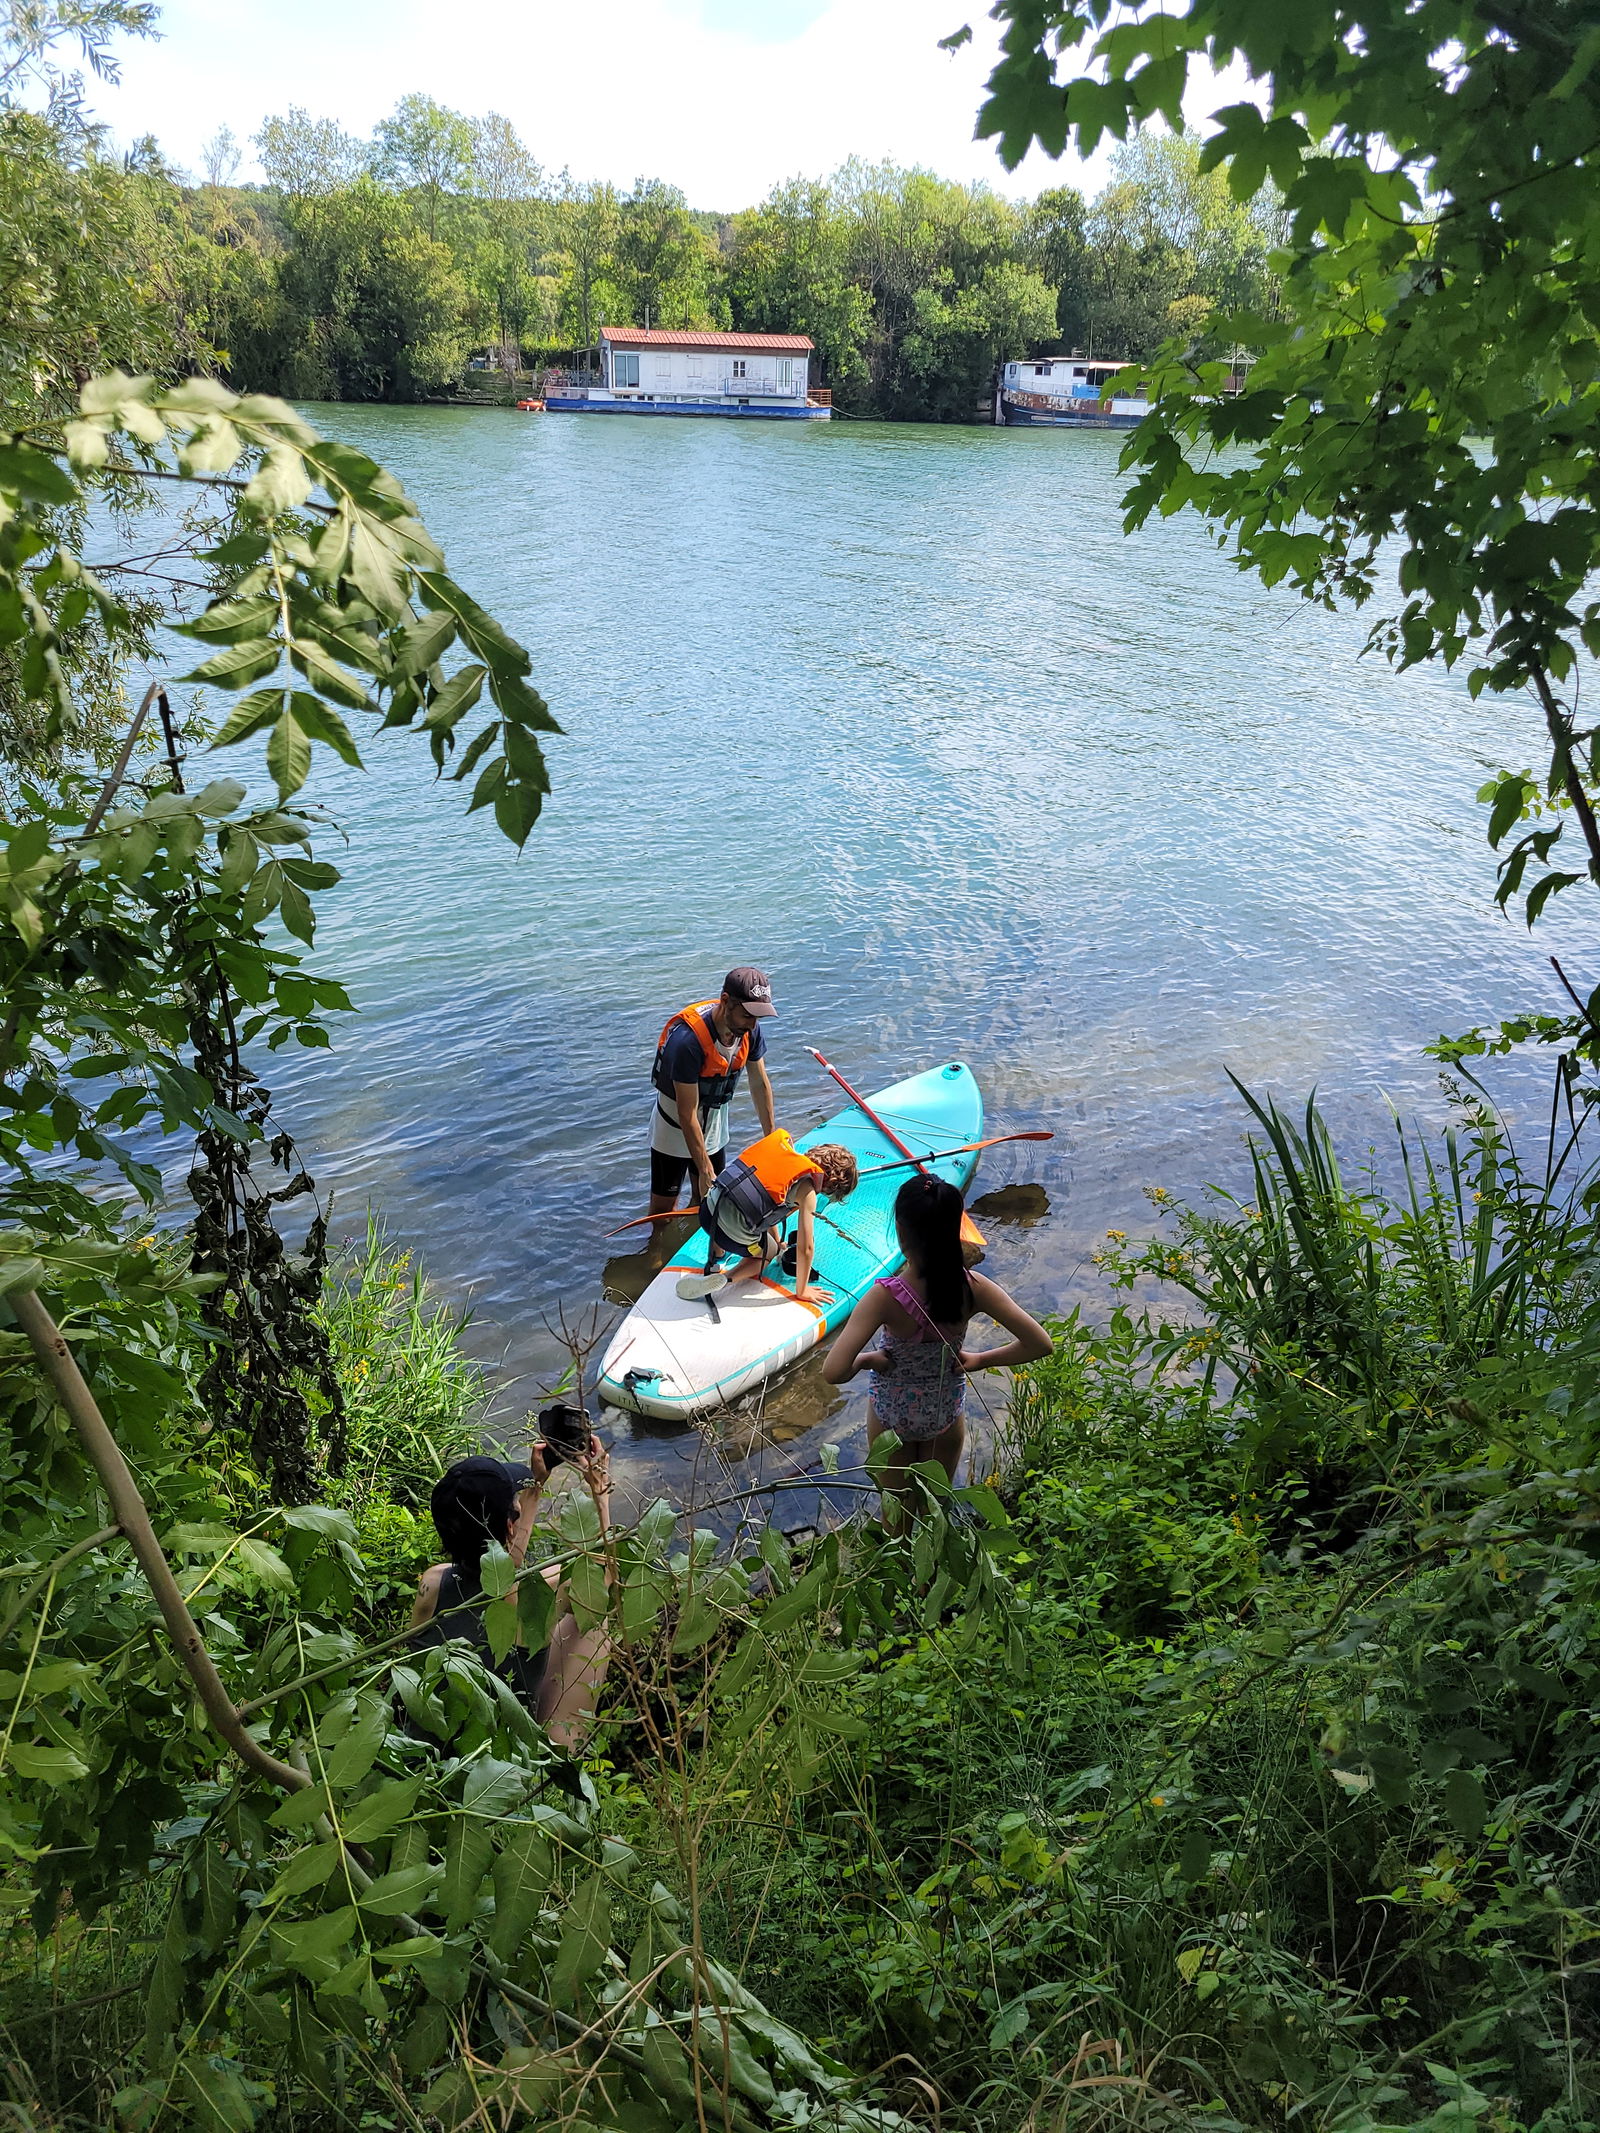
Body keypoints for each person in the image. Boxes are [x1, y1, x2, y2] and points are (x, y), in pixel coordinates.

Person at [823, 1173, 1053, 1524]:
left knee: (895, 1518)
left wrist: (871, 1360)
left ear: (900, 1229)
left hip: (893, 1420)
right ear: (956, 1228)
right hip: (944, 1416)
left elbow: (833, 1371)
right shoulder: (975, 1287)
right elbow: (1039, 1343)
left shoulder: (884, 1297)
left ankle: (896, 1574)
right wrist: (979, 1360)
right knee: (933, 1516)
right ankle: (926, 1580)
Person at [410, 1441, 611, 1750]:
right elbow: (604, 1581)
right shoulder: (540, 1593)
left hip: (434, 1749)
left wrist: (534, 1489)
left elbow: (502, 1566)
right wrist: (600, 1492)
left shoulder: (432, 1583)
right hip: (502, 1754)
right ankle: (563, 1746)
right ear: (509, 1525)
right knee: (593, 1625)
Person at [647, 968, 778, 1222]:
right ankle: (656, 1254)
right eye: (747, 1015)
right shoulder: (687, 1043)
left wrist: (771, 1139)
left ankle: (696, 1245)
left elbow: (760, 1084)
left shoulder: (750, 1030)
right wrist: (704, 1168)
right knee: (662, 1211)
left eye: (758, 1017)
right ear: (726, 1001)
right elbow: (686, 1113)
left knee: (707, 1201)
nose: (752, 1024)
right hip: (673, 1128)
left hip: (714, 1127)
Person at [676, 1132, 859, 1304]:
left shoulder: (783, 1152)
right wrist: (802, 1290)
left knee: (753, 1224)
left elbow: (767, 1204)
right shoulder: (807, 1191)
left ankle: (718, 1253)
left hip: (707, 1213)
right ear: (832, 1185)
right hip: (729, 1234)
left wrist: (778, 1241)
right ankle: (725, 1279)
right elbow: (806, 1247)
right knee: (767, 1254)